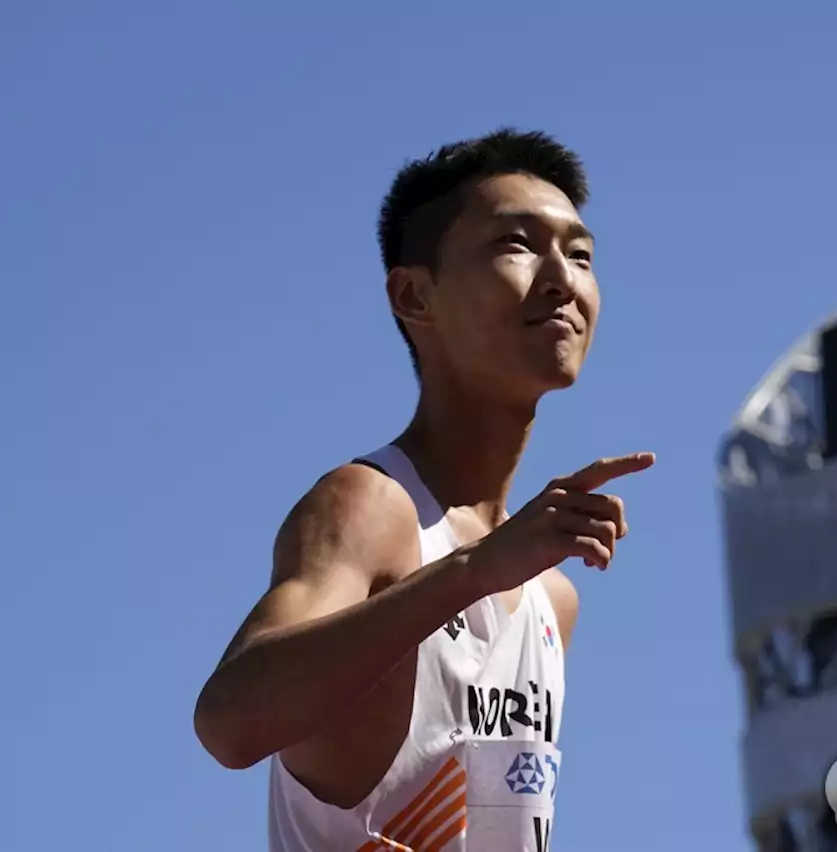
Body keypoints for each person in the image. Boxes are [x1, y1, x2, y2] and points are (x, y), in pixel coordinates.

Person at [193, 128, 654, 852]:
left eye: (582, 254)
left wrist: (495, 569)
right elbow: (229, 722)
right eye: (518, 244)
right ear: (414, 295)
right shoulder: (372, 507)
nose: (563, 278)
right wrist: (475, 571)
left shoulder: (550, 600)